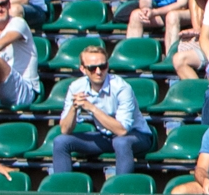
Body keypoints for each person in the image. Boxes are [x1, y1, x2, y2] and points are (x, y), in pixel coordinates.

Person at [50, 46, 156, 179]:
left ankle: (121, 191)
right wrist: (74, 108)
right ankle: (63, 191)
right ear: (83, 69)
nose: (99, 72)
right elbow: (65, 130)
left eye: (103, 66)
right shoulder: (76, 87)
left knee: (121, 142)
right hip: (105, 136)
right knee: (61, 141)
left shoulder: (121, 88)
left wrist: (92, 108)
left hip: (137, 135)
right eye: (92, 68)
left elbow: (122, 131)